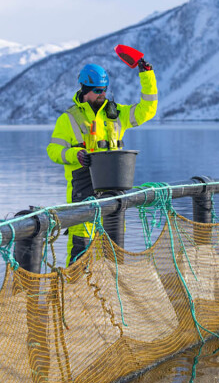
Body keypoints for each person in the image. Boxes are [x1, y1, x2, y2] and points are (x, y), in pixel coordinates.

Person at [47, 60, 158, 264]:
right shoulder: (68, 119)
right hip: (82, 192)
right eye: (98, 90)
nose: (102, 94)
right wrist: (75, 155)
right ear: (85, 90)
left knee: (113, 258)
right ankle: (74, 293)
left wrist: (147, 75)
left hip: (113, 193)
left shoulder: (117, 114)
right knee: (79, 258)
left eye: (105, 89)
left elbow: (147, 110)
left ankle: (110, 295)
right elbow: (53, 151)